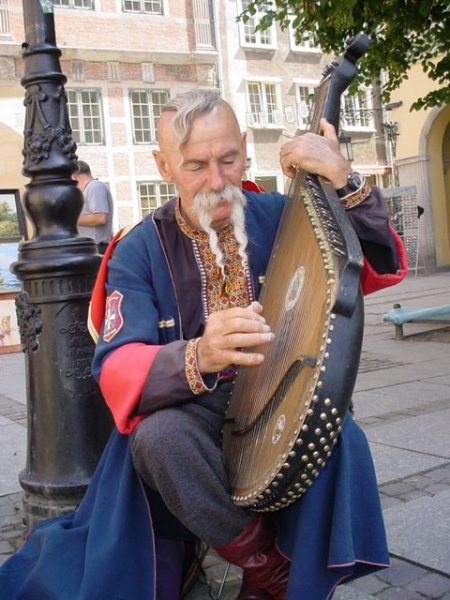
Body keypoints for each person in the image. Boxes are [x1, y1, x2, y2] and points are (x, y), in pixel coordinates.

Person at [0, 91, 407, 600]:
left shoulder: (281, 213)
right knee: (159, 440)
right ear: (163, 165)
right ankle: (270, 570)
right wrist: (199, 356)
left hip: (277, 397)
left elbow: (371, 263)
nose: (217, 182)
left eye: (228, 159)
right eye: (195, 165)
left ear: (245, 149)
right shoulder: (139, 248)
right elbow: (117, 365)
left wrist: (344, 180)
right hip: (191, 414)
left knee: (336, 428)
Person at [73, 160, 114, 254]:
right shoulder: (91, 188)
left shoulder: (95, 186)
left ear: (74, 177)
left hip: (96, 248)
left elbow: (101, 217)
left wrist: (71, 219)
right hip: (92, 248)